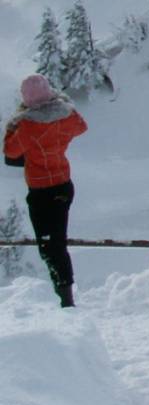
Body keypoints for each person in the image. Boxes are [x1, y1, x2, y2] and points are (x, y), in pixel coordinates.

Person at [4, 74, 87, 308]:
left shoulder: (27, 126)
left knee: (49, 247)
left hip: (41, 190)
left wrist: (13, 126)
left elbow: (10, 152)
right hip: (63, 183)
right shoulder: (65, 115)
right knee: (58, 243)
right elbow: (81, 126)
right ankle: (65, 295)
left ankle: (64, 298)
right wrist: (60, 104)